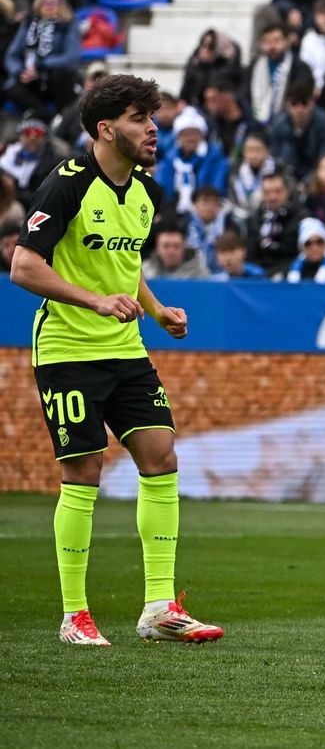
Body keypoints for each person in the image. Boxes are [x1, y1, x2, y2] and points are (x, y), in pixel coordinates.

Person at [10, 74, 222, 646]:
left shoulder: (148, 194)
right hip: (67, 351)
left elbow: (127, 269)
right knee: (84, 470)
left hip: (126, 350)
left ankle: (159, 607)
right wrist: (95, 301)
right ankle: (73, 615)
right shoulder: (67, 185)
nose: (154, 129)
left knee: (161, 457)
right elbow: (24, 267)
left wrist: (155, 309)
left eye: (152, 118)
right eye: (139, 119)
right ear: (105, 129)